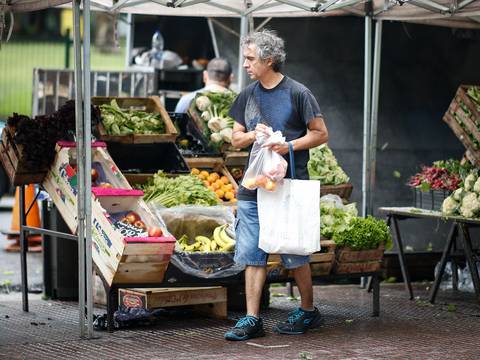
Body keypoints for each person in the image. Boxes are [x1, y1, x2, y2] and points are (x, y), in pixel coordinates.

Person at [224, 30, 328, 341]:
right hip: (253, 186)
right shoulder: (248, 95)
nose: (245, 64)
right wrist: (253, 135)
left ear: (270, 60)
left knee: (294, 252)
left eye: (251, 58)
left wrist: (290, 145)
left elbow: (321, 133)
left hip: (288, 186)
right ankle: (251, 319)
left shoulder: (298, 93)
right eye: (245, 58)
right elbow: (235, 137)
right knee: (253, 254)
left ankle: (308, 311)